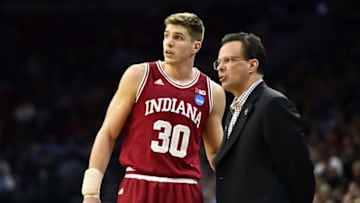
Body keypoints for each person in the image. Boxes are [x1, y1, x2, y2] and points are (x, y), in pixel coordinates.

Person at [80, 12, 226, 203]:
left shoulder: (212, 92)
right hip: (140, 182)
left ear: (195, 47)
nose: (169, 42)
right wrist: (91, 191)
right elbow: (108, 133)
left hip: (185, 187)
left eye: (178, 37)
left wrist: (244, 183)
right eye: (167, 36)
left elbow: (216, 153)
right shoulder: (139, 75)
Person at [213, 31, 315, 203]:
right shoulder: (234, 111)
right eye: (219, 62)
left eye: (229, 60)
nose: (221, 67)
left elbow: (299, 173)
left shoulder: (272, 105)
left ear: (252, 65)